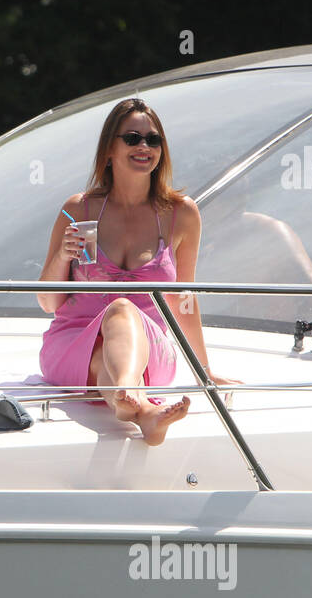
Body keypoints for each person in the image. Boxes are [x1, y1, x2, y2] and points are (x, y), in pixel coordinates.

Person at [37, 97, 236, 446]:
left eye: (153, 139)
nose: (144, 146)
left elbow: (183, 299)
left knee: (120, 321)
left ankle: (132, 400)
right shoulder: (79, 208)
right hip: (72, 339)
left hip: (149, 348)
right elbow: (49, 302)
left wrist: (204, 371)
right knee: (114, 328)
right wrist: (60, 259)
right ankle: (143, 408)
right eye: (132, 138)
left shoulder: (180, 213)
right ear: (109, 149)